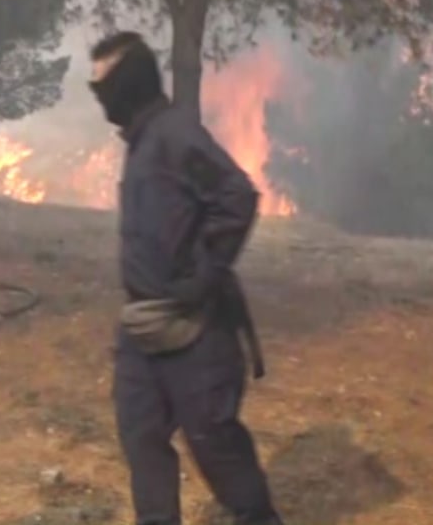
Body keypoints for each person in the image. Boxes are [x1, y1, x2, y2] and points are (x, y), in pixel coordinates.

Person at [88, 31, 282, 525]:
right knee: (141, 436)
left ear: (130, 84)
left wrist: (202, 273)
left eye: (104, 86)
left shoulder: (175, 134)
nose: (100, 99)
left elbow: (237, 196)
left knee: (216, 445)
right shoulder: (142, 140)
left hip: (196, 330)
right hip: (142, 327)